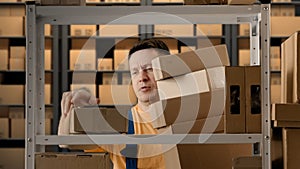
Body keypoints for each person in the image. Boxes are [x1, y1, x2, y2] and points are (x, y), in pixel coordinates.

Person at [58, 38, 171, 169]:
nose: (142, 78)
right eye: (135, 72)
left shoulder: (186, 120)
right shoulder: (119, 122)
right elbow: (66, 142)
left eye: (149, 69)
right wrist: (72, 107)